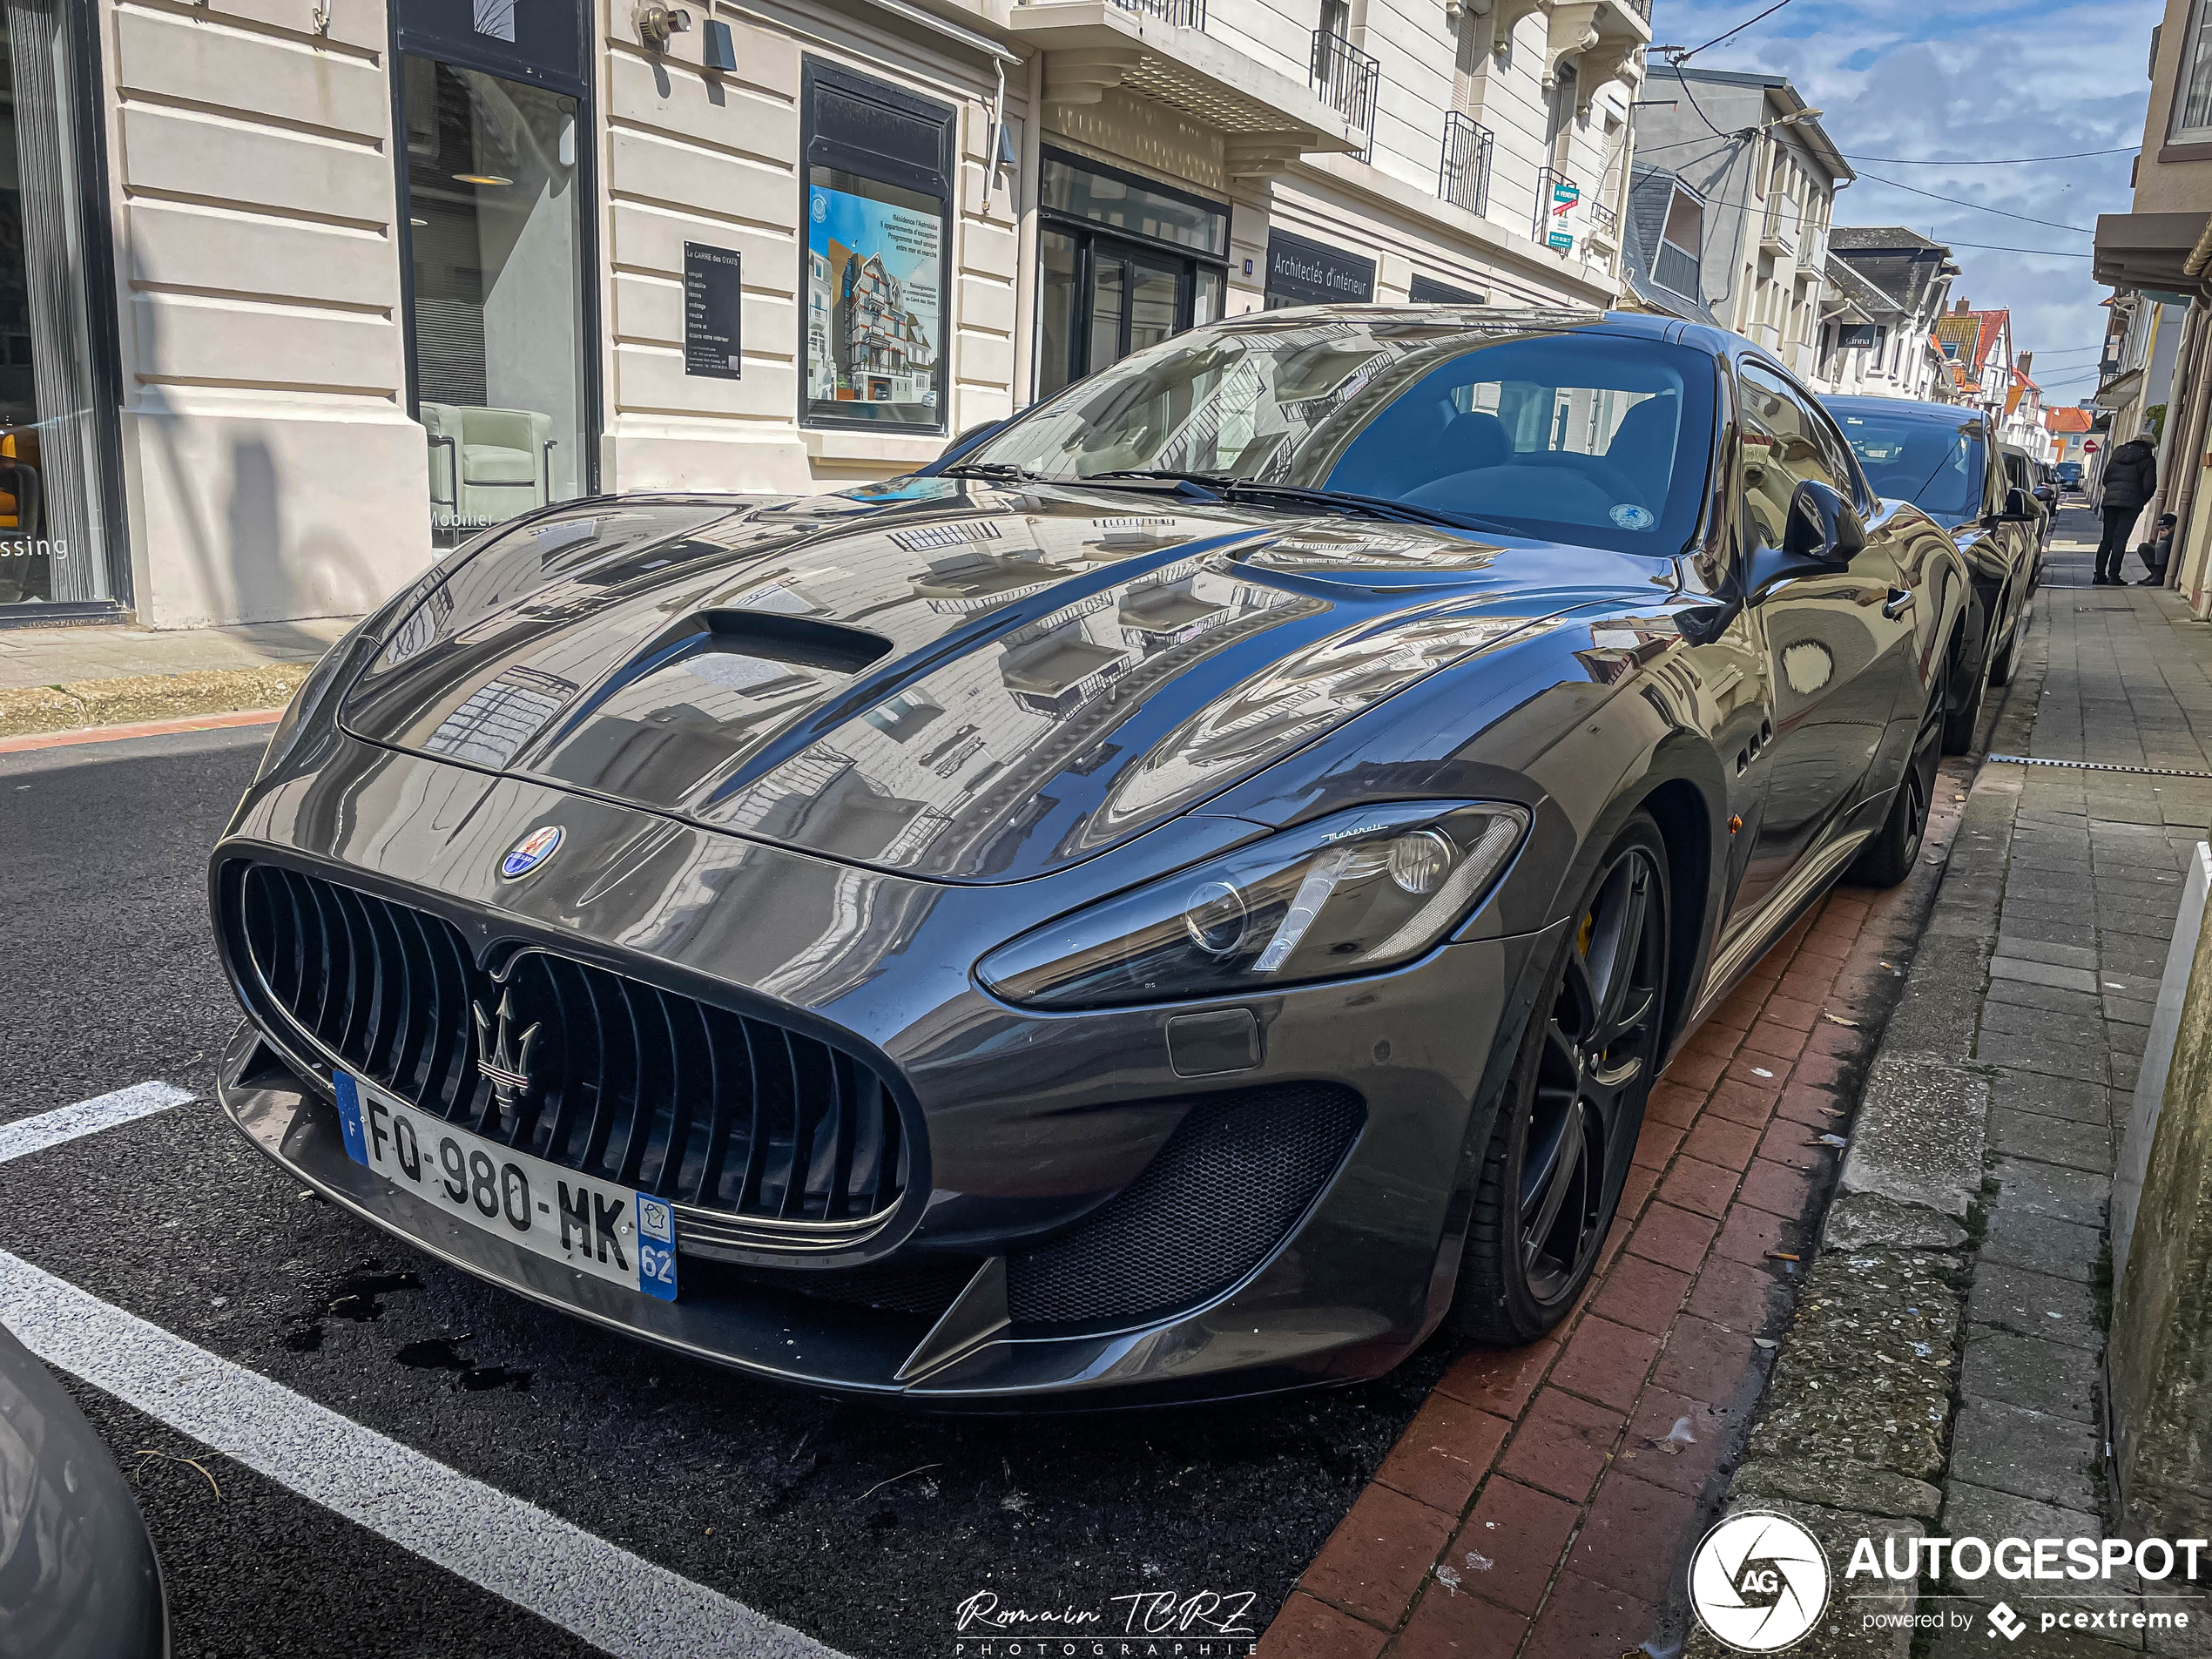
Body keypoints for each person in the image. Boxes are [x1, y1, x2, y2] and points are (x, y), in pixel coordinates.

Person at [2095, 433, 2157, 584]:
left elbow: (2106, 479)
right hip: (2131, 504)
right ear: (2150, 446)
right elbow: (2149, 485)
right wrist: (2141, 500)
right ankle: (2113, 576)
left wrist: (2112, 492)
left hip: (2110, 502)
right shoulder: (2148, 459)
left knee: (2106, 540)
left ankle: (2099, 575)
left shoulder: (2117, 454)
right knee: (2120, 540)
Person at [2141, 511, 2178, 585]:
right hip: (2162, 561)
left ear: (2173, 527)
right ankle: (2155, 574)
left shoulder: (2176, 536)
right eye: (2160, 530)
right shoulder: (2164, 538)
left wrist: (2169, 536)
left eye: (2164, 529)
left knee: (2161, 545)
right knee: (2143, 547)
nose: (2161, 532)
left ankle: (2159, 577)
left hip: (2169, 563)